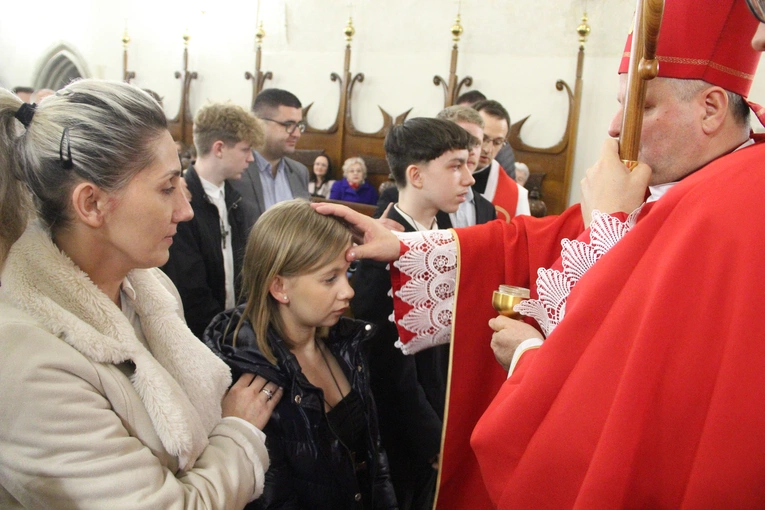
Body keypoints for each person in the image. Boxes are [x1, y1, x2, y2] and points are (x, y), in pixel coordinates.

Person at [314, 0, 765, 507]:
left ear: (709, 108)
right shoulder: (682, 183)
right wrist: (401, 244)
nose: (616, 128)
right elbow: (533, 244)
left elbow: (643, 386)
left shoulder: (740, 202)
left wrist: (531, 354)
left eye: (642, 105)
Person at [0, 80, 282, 508]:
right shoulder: (28, 363)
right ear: (91, 204)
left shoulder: (148, 287)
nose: (185, 210)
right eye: (168, 187)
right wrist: (238, 432)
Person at [204, 199, 397, 509]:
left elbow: (375, 463)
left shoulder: (344, 344)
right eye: (330, 278)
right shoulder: (247, 376)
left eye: (348, 273)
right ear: (280, 287)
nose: (348, 291)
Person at [352, 118, 473, 510]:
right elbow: (388, 368)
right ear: (416, 175)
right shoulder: (381, 252)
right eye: (456, 166)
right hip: (406, 439)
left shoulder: (446, 236)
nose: (469, 178)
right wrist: (431, 438)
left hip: (442, 414)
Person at [162, 102, 263, 339]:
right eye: (245, 150)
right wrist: (226, 335)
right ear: (219, 148)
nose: (250, 159)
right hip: (201, 336)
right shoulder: (182, 204)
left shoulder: (236, 199)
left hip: (233, 329)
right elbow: (190, 289)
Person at [230, 88, 310, 228]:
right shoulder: (234, 170)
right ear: (259, 123)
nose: (297, 134)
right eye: (288, 125)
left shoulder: (300, 172)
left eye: (299, 126)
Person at [472, 99, 529, 220]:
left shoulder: (517, 196)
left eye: (497, 142)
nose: (488, 149)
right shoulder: (440, 176)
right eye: (484, 138)